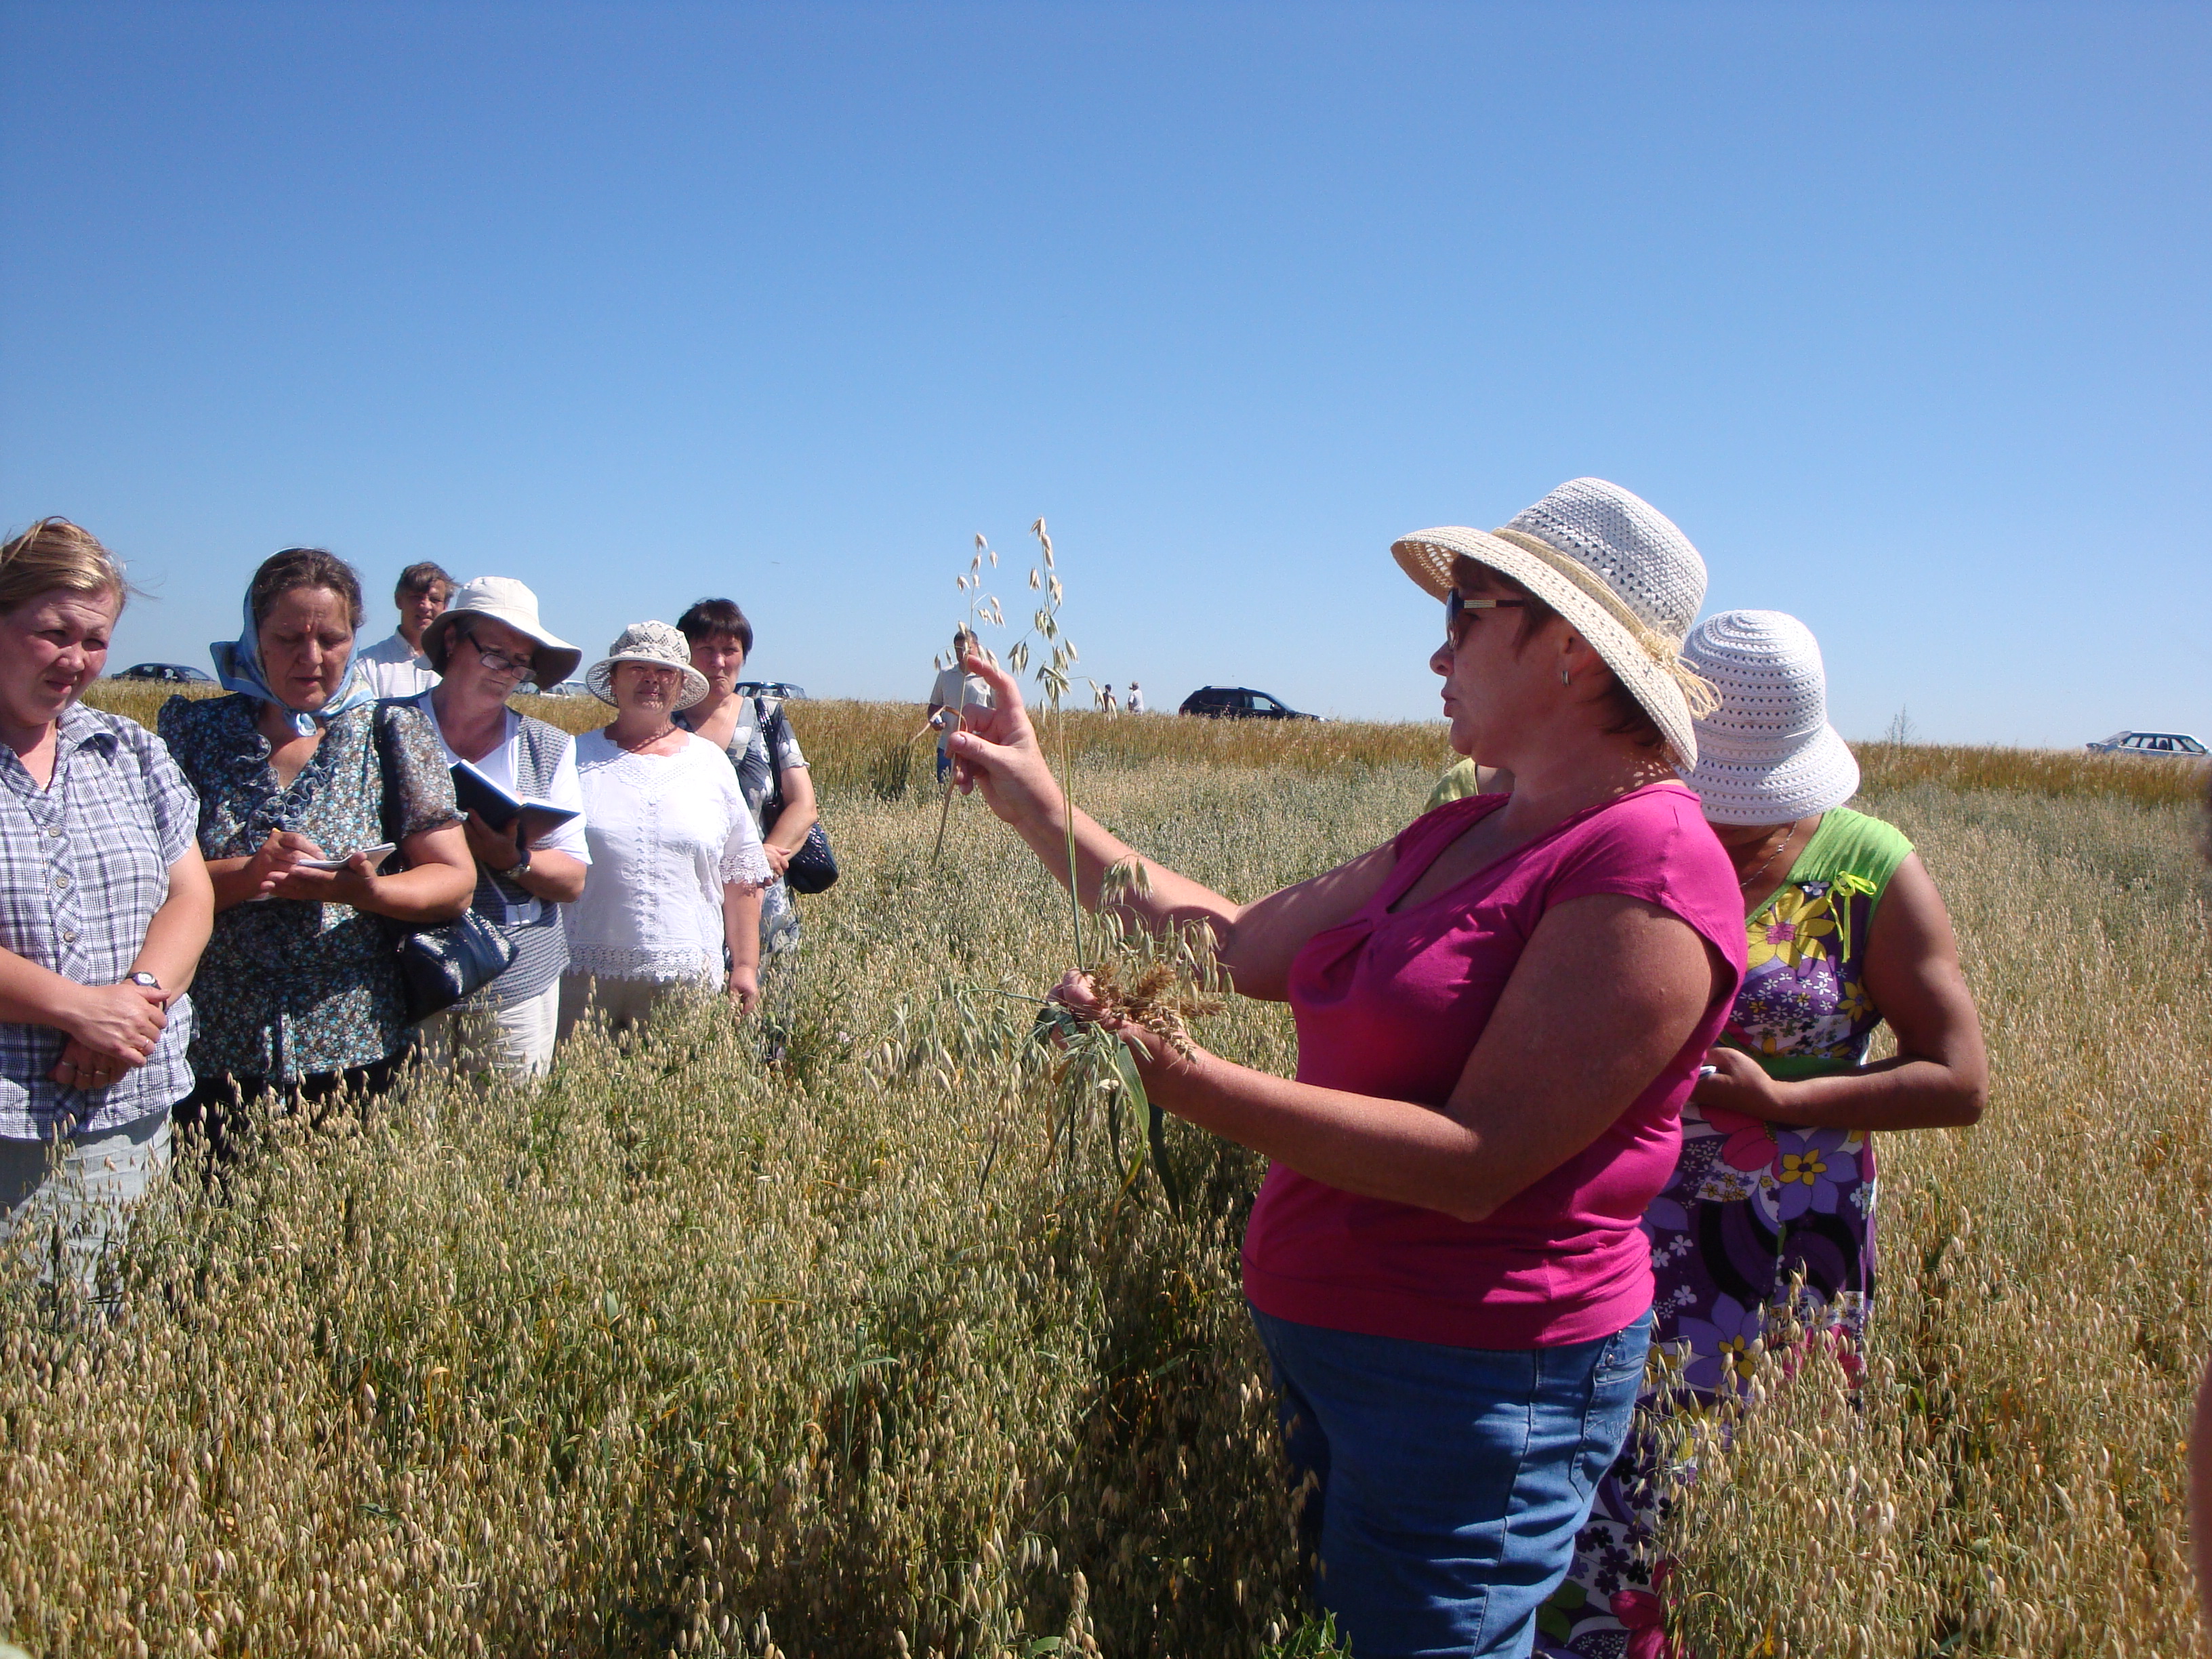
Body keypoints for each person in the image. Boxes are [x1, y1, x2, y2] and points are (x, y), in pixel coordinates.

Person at [947, 478, 1747, 1656]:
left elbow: (1479, 1163)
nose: (1436, 652)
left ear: (1569, 649)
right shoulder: (1466, 827)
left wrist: (1179, 1078)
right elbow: (1227, 943)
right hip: (1348, 1353)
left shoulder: (1649, 864)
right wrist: (1037, 802)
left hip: (1478, 1388)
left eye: (1465, 614)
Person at [1542, 609, 1988, 1657]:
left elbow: (1958, 1078)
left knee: (1760, 1482)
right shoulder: (1623, 828)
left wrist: (1786, 1105)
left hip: (1795, 1241)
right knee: (1616, 1478)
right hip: (1627, 1226)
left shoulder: (1868, 867)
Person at [159, 550, 474, 1140]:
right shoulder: (195, 733)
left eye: (331, 639)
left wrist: (363, 890)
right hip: (213, 1047)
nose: (312, 658)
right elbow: (154, 884)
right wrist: (250, 876)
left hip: (355, 1042)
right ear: (256, 637)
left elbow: (453, 880)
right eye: (288, 637)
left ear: (355, 637)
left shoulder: (389, 732)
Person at [0, 518, 213, 1284]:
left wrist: (136, 1000)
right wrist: (72, 1009)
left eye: (95, 640)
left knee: (113, 1340)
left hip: (131, 1106)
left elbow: (190, 893)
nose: (75, 660)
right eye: (52, 633)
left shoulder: (128, 750)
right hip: (7, 1124)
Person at [411, 578, 589, 1080]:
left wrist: (511, 859)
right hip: (406, 974)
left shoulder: (547, 746)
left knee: (506, 1141)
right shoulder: (388, 728)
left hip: (517, 979)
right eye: (495, 654)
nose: (508, 673)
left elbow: (573, 877)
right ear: (451, 642)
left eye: (519, 663)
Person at [558, 623, 773, 1038]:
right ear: (615, 680)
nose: (652, 680)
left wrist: (745, 967)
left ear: (680, 686)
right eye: (638, 668)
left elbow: (742, 875)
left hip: (687, 977)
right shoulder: (573, 757)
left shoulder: (711, 765)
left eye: (666, 672)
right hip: (580, 977)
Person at [673, 597, 816, 962]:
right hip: (688, 900)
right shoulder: (665, 723)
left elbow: (804, 805)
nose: (718, 662)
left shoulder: (766, 716)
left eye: (729, 650)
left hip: (763, 898)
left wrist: (758, 860)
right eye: (706, 649)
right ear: (684, 654)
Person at [356, 561, 453, 697]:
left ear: (445, 606)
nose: (425, 606)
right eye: (417, 597)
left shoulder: (455, 666)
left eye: (434, 600)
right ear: (398, 600)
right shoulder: (366, 665)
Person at [927, 628, 994, 781]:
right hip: (947, 747)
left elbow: (997, 712)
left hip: (978, 748)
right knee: (944, 789)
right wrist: (934, 721)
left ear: (977, 648)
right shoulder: (945, 674)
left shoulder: (988, 676)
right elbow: (934, 706)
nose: (961, 654)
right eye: (958, 650)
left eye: (966, 649)